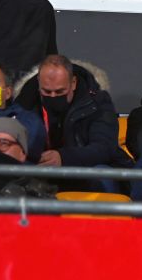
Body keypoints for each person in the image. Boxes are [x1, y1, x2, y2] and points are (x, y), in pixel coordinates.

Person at [15, 55, 132, 186]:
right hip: (41, 171)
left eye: (60, 91)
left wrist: (63, 158)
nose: (53, 96)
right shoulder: (25, 105)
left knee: (102, 174)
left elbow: (103, 148)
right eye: (47, 91)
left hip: (85, 171)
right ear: (38, 82)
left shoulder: (97, 102)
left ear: (73, 83)